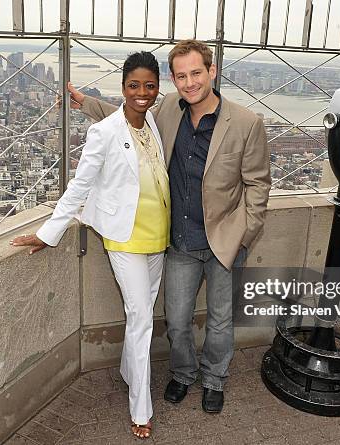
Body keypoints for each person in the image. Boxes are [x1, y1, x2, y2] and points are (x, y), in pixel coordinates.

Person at [68, 40, 270, 414]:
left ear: (211, 71)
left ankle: (214, 379)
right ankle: (183, 373)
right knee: (176, 321)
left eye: (196, 73)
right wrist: (87, 104)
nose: (190, 82)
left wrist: (246, 233)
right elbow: (131, 115)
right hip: (179, 241)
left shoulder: (246, 122)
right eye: (181, 76)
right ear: (174, 81)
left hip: (225, 240)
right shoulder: (169, 113)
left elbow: (258, 183)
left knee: (221, 321)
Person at [11, 51, 169, 439]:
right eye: (134, 86)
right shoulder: (105, 131)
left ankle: (128, 371)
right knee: (143, 321)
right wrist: (51, 232)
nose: (143, 92)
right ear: (123, 88)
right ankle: (141, 408)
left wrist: (84, 100)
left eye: (150, 85)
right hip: (125, 237)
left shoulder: (153, 121)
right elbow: (79, 187)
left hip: (159, 236)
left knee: (142, 314)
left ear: (157, 88)